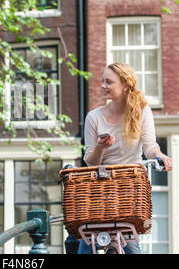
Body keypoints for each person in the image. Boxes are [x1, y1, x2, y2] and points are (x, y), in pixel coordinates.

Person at [65, 62, 172, 254]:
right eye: (102, 81)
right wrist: (101, 146)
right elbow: (91, 161)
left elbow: (149, 145)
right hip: (100, 186)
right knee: (87, 240)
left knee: (130, 244)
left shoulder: (141, 111)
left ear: (124, 85)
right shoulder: (94, 117)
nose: (103, 86)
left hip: (129, 188)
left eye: (109, 82)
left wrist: (159, 156)